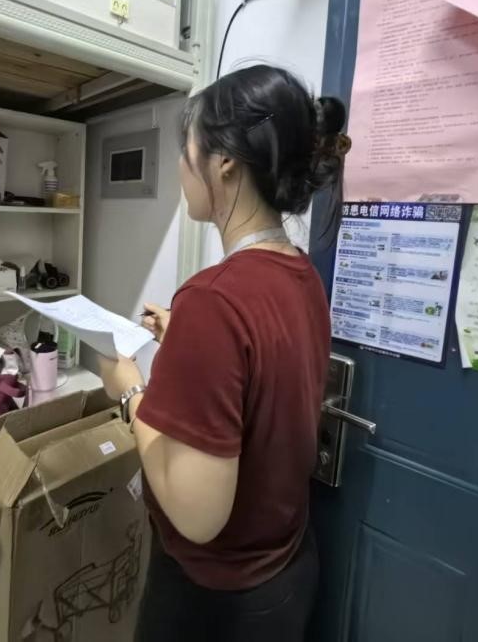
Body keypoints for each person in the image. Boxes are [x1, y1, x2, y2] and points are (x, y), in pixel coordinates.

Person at [98, 64, 350, 641]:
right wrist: (185, 340)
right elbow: (264, 373)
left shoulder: (213, 299)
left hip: (217, 605)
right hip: (287, 571)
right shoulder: (300, 274)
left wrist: (130, 390)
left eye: (187, 148)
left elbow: (197, 515)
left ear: (226, 163)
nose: (181, 165)